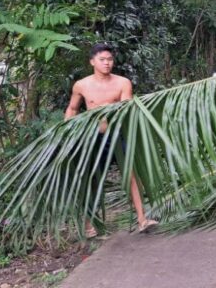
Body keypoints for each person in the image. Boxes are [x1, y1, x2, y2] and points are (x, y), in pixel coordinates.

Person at [65, 43, 158, 238]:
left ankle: (142, 220)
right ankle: (89, 225)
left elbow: (124, 108)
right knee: (91, 179)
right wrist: (68, 132)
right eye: (103, 60)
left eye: (110, 60)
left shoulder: (122, 83)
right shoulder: (82, 85)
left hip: (117, 136)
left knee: (132, 174)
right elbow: (73, 109)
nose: (107, 63)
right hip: (93, 138)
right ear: (92, 62)